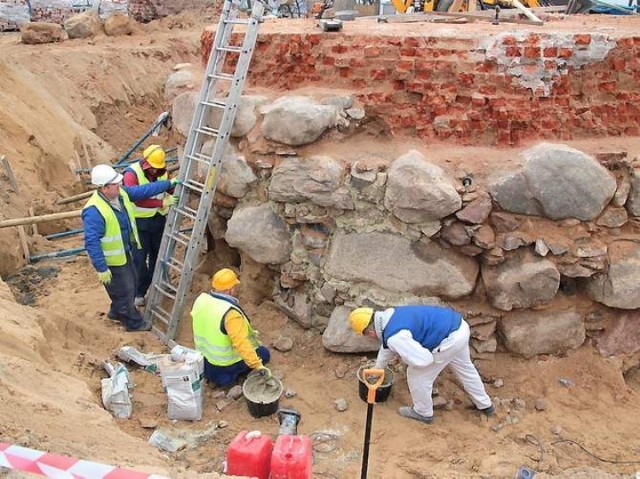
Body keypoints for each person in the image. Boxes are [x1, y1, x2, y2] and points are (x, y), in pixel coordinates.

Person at [349, 305, 495, 424]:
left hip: (449, 340)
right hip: (459, 327)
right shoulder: (390, 316)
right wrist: (378, 368)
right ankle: (485, 404)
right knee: (465, 368)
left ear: (370, 331)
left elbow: (424, 360)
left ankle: (423, 412)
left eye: (366, 335)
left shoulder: (396, 337)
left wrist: (406, 358)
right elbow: (387, 345)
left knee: (417, 375)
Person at [83, 164, 178, 332]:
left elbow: (144, 190)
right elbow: (92, 242)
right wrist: (102, 268)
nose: (119, 186)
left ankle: (115, 313)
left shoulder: (121, 195)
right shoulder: (94, 210)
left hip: (125, 251)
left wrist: (169, 184)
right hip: (112, 261)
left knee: (132, 283)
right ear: (103, 188)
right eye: (115, 184)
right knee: (125, 291)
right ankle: (134, 323)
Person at [191, 268, 271, 387]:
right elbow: (241, 343)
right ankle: (228, 379)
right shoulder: (229, 313)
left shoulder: (201, 300)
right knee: (264, 354)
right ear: (231, 290)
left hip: (203, 361)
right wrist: (258, 366)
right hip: (222, 368)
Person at [122, 144, 176, 307]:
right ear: (145, 163)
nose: (154, 171)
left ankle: (158, 283)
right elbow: (136, 198)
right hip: (138, 222)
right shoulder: (131, 174)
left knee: (158, 255)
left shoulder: (163, 172)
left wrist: (175, 191)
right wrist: (160, 202)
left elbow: (169, 188)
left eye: (157, 168)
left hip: (158, 219)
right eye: (152, 168)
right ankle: (139, 292)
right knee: (139, 259)